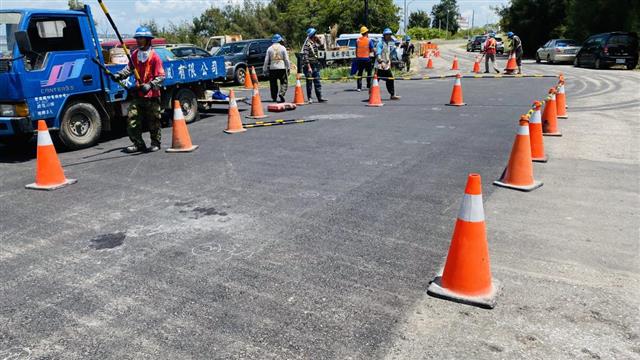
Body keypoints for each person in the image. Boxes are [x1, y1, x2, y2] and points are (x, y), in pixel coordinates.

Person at [114, 26, 165, 153]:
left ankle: (155, 143)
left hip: (152, 95)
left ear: (148, 40)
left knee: (154, 121)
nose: (138, 41)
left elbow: (161, 76)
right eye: (137, 38)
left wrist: (150, 85)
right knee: (132, 119)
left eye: (141, 38)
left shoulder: (154, 57)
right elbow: (129, 69)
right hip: (138, 94)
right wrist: (119, 75)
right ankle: (138, 144)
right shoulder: (135, 54)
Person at [301, 28, 327, 103]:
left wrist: (319, 41)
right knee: (309, 82)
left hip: (315, 65)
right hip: (309, 66)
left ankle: (320, 97)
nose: (316, 35)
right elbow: (305, 57)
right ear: (312, 35)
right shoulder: (307, 44)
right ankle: (310, 98)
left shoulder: (314, 43)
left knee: (317, 81)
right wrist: (309, 67)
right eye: (314, 34)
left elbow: (322, 48)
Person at [263, 34, 290, 103]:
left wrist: (265, 69)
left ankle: (274, 97)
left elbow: (266, 60)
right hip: (281, 67)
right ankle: (281, 93)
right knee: (284, 82)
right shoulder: (283, 48)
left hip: (272, 68)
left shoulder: (269, 48)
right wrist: (288, 67)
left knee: (273, 84)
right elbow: (286, 59)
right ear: (280, 40)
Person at [375, 28, 401, 100]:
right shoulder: (380, 43)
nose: (389, 36)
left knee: (390, 79)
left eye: (390, 34)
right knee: (375, 80)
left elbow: (391, 52)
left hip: (386, 65)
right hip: (379, 65)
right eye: (387, 35)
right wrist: (381, 62)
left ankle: (392, 94)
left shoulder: (389, 43)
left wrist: (396, 46)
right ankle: (372, 94)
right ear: (384, 35)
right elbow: (378, 54)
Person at [354, 26, 374, 92]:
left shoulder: (357, 40)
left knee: (360, 73)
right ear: (366, 33)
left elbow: (356, 50)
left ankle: (359, 87)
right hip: (366, 59)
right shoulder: (369, 40)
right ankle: (368, 85)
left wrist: (357, 57)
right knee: (369, 72)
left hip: (359, 59)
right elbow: (371, 50)